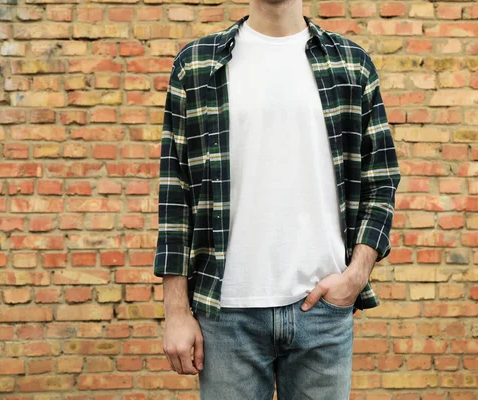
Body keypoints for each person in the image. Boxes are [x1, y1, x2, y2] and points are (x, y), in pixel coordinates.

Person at [153, 0, 401, 398]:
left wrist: (355, 277)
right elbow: (175, 196)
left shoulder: (351, 64)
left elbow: (381, 180)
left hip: (322, 311)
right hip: (226, 314)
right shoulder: (196, 65)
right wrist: (176, 311)